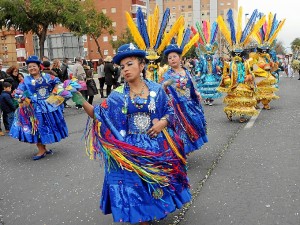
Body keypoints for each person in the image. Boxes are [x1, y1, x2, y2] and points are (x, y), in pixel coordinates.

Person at [72, 43, 191, 224]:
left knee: (154, 184)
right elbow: (100, 115)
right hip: (129, 148)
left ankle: (153, 211)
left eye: (130, 64)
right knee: (134, 187)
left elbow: (171, 111)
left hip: (155, 144)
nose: (125, 70)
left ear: (141, 65)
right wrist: (81, 100)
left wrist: (162, 123)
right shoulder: (117, 95)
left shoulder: (157, 90)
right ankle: (142, 217)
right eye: (122, 66)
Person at [9, 55, 68, 160]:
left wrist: (54, 94)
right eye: (29, 67)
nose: (32, 68)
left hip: (48, 106)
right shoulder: (26, 80)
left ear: (39, 67)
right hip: (34, 108)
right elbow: (19, 91)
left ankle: (43, 148)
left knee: (47, 126)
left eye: (34, 66)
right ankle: (41, 149)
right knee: (37, 127)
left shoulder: (47, 76)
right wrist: (21, 97)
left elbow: (59, 83)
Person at [161, 44, 208, 155]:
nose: (172, 59)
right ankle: (181, 151)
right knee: (179, 129)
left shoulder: (186, 71)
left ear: (180, 58)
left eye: (174, 56)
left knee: (193, 125)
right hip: (176, 107)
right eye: (170, 58)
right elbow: (161, 89)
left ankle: (187, 148)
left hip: (189, 104)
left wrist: (196, 93)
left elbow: (190, 85)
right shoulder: (168, 75)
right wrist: (165, 85)